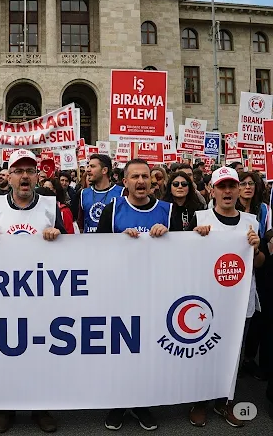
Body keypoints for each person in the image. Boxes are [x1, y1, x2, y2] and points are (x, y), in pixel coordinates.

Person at [0, 149, 65, 434]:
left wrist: (58, 235)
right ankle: (6, 408)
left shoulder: (50, 205)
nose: (24, 176)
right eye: (18, 171)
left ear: (37, 176)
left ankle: (40, 408)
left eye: (29, 171)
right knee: (7, 352)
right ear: (9, 177)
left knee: (40, 353)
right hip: (3, 296)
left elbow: (70, 251)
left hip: (42, 294)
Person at [97, 159, 176, 431]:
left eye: (145, 176)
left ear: (152, 181)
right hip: (120, 293)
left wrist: (169, 236)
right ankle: (119, 403)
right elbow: (96, 250)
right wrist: (119, 242)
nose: (141, 181)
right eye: (135, 177)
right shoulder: (113, 209)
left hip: (155, 293)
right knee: (121, 350)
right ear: (125, 182)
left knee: (148, 351)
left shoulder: (167, 211)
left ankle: (142, 403)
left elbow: (184, 250)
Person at [186, 166, 264, 428]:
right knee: (204, 350)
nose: (228, 191)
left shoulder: (251, 222)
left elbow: (259, 263)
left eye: (232, 186)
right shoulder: (200, 219)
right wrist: (195, 239)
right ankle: (200, 401)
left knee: (233, 353)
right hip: (208, 301)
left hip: (240, 302)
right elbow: (185, 259)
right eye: (222, 187)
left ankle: (225, 401)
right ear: (212, 190)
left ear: (239, 189)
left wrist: (256, 248)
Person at [236, 171, 272, 382]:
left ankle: (248, 358)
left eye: (251, 183)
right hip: (236, 268)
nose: (247, 187)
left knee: (256, 317)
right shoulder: (228, 208)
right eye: (243, 183)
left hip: (258, 265)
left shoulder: (263, 209)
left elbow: (268, 233)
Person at [78, 154, 123, 233]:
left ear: (104, 170)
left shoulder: (121, 193)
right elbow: (80, 226)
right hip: (89, 240)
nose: (88, 170)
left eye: (92, 166)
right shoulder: (83, 193)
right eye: (88, 166)